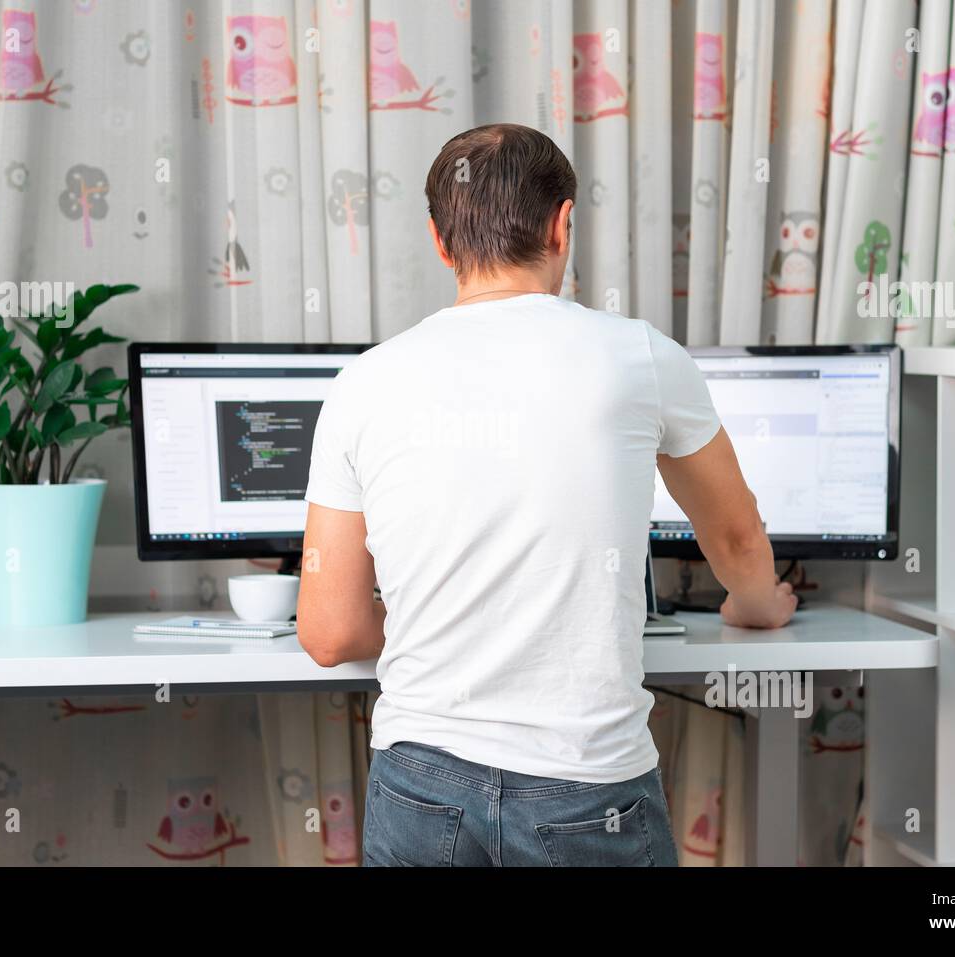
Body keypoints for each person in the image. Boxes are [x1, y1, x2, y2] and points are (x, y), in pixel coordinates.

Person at [297, 123, 796, 867]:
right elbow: (736, 540)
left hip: (420, 785)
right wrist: (755, 605)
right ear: (565, 225)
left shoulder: (365, 381)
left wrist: (436, 618)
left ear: (440, 241)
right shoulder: (642, 355)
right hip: (587, 789)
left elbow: (329, 631)